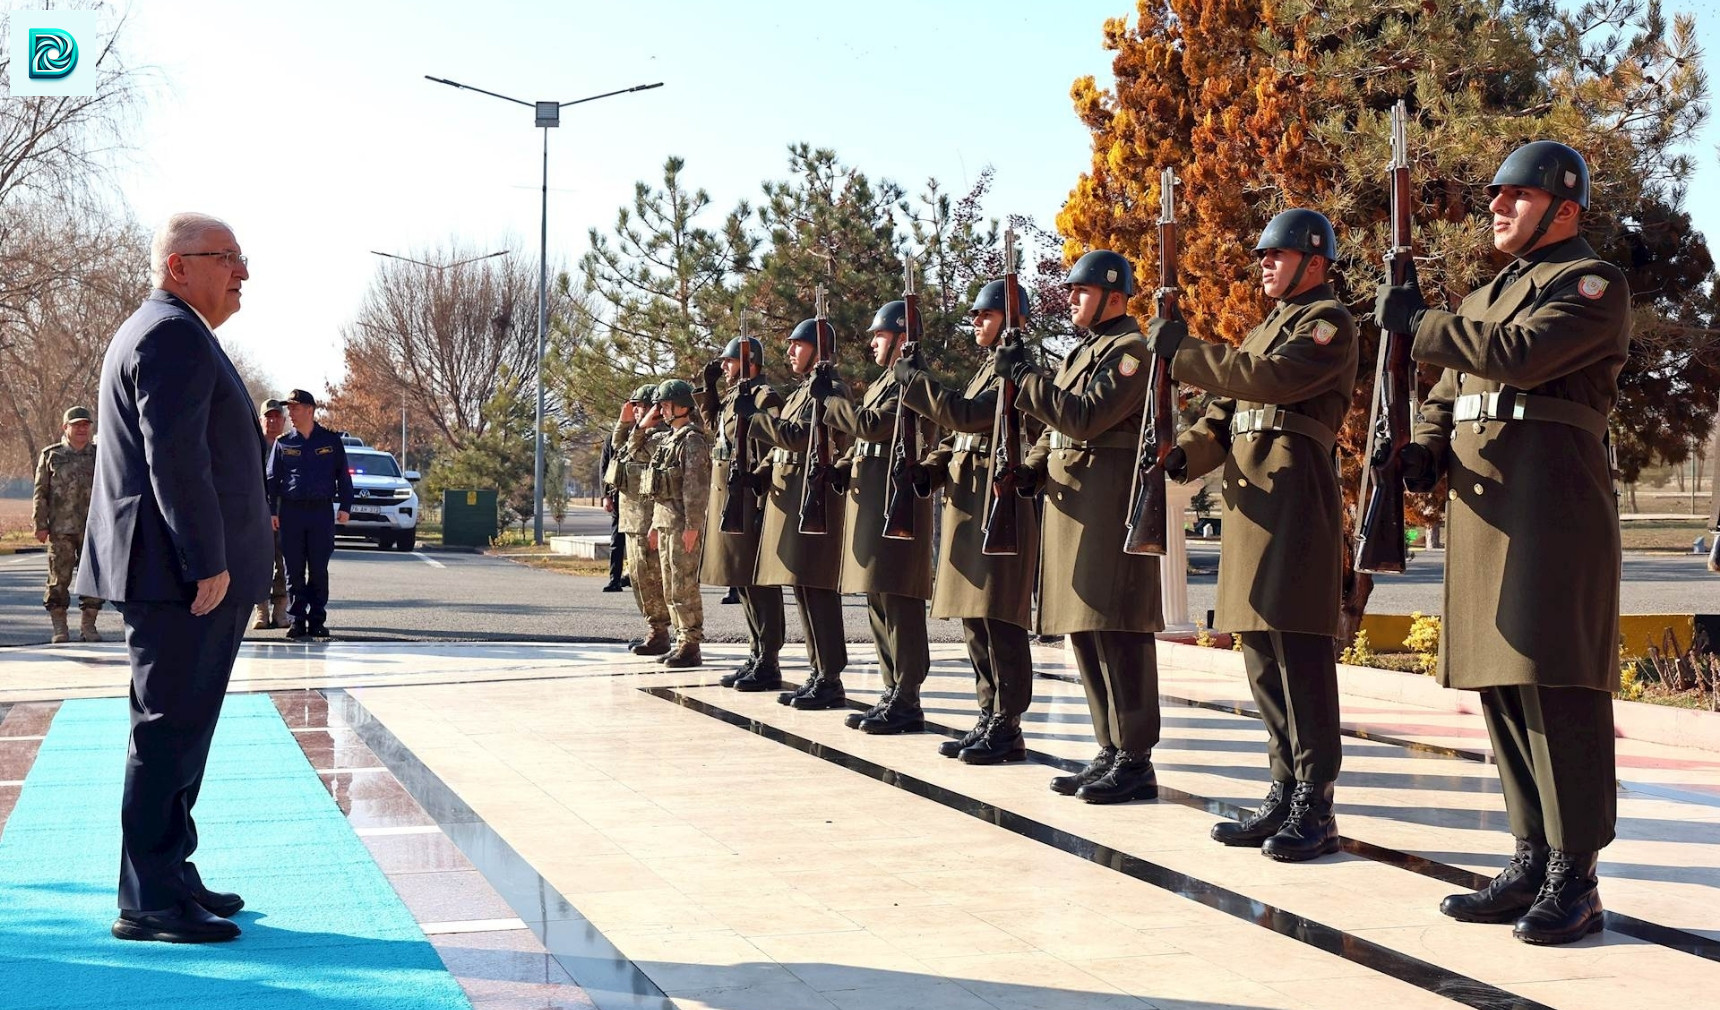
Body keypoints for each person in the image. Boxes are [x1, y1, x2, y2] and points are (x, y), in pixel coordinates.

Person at [1375, 141, 1630, 945]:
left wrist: (1421, 322)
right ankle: (1529, 856)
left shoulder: (1592, 285)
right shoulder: (1490, 292)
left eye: (1513, 197)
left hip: (1553, 511)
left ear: (1564, 208)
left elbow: (1517, 355)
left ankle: (1575, 876)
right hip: (1487, 515)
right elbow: (1447, 393)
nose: (1496, 208)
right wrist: (1421, 451)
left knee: (1556, 688)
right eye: (1495, 197)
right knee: (1502, 687)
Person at [75, 212, 271, 943]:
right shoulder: (170, 334)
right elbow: (175, 460)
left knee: (184, 731)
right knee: (166, 734)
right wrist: (207, 560)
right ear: (179, 265)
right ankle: (149, 900)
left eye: (242, 257)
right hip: (178, 577)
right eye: (229, 258)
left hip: (176, 574)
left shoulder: (175, 331)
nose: (242, 272)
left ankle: (172, 872)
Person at [1144, 209, 1358, 860]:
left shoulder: (1329, 322)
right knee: (1263, 657)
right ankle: (1281, 786)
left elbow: (1267, 383)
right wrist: (1184, 455)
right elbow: (1223, 415)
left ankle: (1314, 806)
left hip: (1294, 500)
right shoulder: (1266, 328)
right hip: (1252, 503)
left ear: (1314, 264)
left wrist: (1181, 352)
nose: (1263, 264)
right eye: (1262, 256)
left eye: (1277, 255)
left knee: (1300, 655)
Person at [995, 250, 1164, 803]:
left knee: (1118, 629)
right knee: (1084, 630)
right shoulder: (1083, 351)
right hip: (1072, 506)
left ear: (1115, 297)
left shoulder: (1131, 352)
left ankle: (1136, 757)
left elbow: (1085, 415)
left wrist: (1028, 377)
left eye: (1081, 291)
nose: (1070, 299)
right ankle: (1110, 748)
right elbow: (1055, 429)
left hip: (1107, 505)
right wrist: (1031, 470)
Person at [893, 279, 1041, 762]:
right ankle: (987, 712)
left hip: (999, 506)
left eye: (984, 315)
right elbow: (958, 440)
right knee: (975, 619)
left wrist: (918, 382)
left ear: (1008, 319)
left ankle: (1008, 722)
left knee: (1001, 618)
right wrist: (929, 469)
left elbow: (970, 417)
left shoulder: (1017, 371)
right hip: (969, 504)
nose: (975, 322)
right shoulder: (987, 371)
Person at [815, 300, 936, 734]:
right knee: (878, 599)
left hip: (896, 501)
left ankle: (908, 696)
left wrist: (831, 401)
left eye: (879, 335)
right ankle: (890, 690)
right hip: (872, 502)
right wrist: (840, 467)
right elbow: (863, 445)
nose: (871, 342)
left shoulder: (910, 382)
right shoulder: (885, 382)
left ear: (902, 338)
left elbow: (873, 427)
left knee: (900, 601)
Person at [749, 316, 851, 710]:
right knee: (802, 589)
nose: (790, 351)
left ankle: (831, 676)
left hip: (816, 500)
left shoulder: (831, 389)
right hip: (794, 501)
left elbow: (797, 437)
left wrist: (756, 420)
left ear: (818, 350)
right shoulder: (801, 393)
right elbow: (782, 449)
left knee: (818, 590)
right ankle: (818, 671)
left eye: (798, 344)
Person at [698, 335, 788, 690]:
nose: (724, 366)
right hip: (729, 496)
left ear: (749, 364)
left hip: (751, 495)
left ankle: (769, 659)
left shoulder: (764, 398)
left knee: (759, 582)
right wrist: (709, 389)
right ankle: (755, 652)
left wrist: (759, 495)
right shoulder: (737, 397)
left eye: (729, 361)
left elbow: (772, 449)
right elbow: (716, 428)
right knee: (743, 580)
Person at [266, 389, 354, 640]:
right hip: (291, 512)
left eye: (294, 408)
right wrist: (272, 511)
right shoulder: (284, 443)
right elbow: (272, 480)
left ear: (309, 409)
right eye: (289, 408)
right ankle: (296, 620)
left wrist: (346, 506)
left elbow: (343, 476)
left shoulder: (330, 441)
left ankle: (317, 619)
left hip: (320, 512)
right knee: (293, 569)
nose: (290, 413)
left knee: (318, 568)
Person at [637, 379, 712, 668]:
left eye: (666, 405)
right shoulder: (670, 439)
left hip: (682, 524)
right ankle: (681, 640)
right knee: (669, 586)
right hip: (666, 521)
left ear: (682, 406)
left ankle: (691, 645)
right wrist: (655, 524)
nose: (662, 411)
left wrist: (693, 526)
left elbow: (695, 488)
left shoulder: (692, 440)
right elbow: (661, 489)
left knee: (683, 585)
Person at [33, 406, 103, 644]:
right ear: (66, 428)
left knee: (94, 578)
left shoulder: (100, 455)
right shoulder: (51, 455)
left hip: (94, 529)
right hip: (60, 530)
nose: (82, 429)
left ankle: (88, 626)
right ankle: (60, 628)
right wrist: (40, 524)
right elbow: (41, 492)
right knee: (58, 580)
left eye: (86, 425)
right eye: (76, 425)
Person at [614, 385, 673, 654]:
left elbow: (632, 452)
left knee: (655, 582)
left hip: (648, 521)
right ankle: (655, 631)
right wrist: (624, 422)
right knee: (639, 582)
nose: (635, 410)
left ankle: (662, 634)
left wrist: (638, 426)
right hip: (631, 521)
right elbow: (618, 450)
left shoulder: (660, 438)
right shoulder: (637, 436)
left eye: (640, 406)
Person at [253, 399, 291, 629]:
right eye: (268, 416)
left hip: (284, 514)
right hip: (256, 514)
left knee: (283, 563)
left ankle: (280, 611)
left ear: (284, 421)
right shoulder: (252, 446)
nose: (273, 420)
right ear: (260, 420)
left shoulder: (289, 446)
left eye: (277, 416)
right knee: (259, 563)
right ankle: (261, 611)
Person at [599, 430, 627, 592]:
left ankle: (636, 577)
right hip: (618, 495)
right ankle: (614, 579)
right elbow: (605, 467)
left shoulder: (652, 431)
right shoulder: (613, 436)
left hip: (644, 498)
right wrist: (605, 496)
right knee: (617, 540)